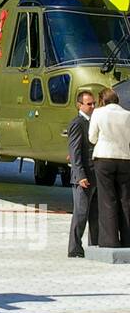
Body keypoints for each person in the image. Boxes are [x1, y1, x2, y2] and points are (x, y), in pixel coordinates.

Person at [88, 87, 130, 249]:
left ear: (102, 100)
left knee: (107, 199)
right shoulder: (127, 115)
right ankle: (127, 240)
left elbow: (92, 138)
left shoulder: (99, 113)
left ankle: (110, 241)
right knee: (125, 200)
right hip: (125, 158)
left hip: (104, 157)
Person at [67, 89, 99, 257]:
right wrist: (80, 176)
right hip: (84, 177)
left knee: (95, 213)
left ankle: (94, 245)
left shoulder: (92, 121)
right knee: (80, 214)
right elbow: (74, 151)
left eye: (94, 103)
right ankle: (74, 248)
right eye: (89, 104)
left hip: (94, 175)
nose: (92, 106)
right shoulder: (78, 123)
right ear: (80, 105)